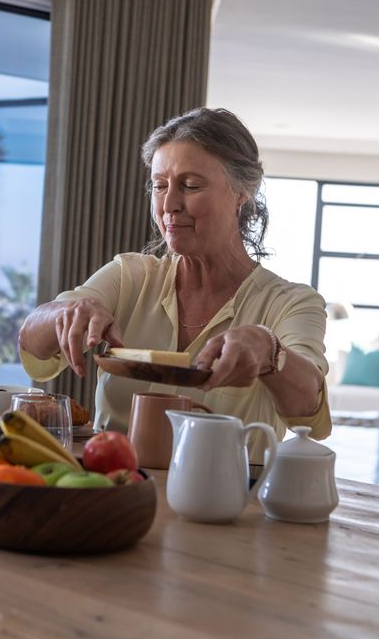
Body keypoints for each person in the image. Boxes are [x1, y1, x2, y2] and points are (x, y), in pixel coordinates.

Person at [18, 108, 330, 457]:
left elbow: (308, 409)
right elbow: (32, 341)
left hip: (230, 500)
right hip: (113, 486)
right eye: (159, 185)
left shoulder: (291, 302)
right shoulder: (129, 275)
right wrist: (69, 311)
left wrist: (271, 352)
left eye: (191, 186)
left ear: (242, 192)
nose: (169, 205)